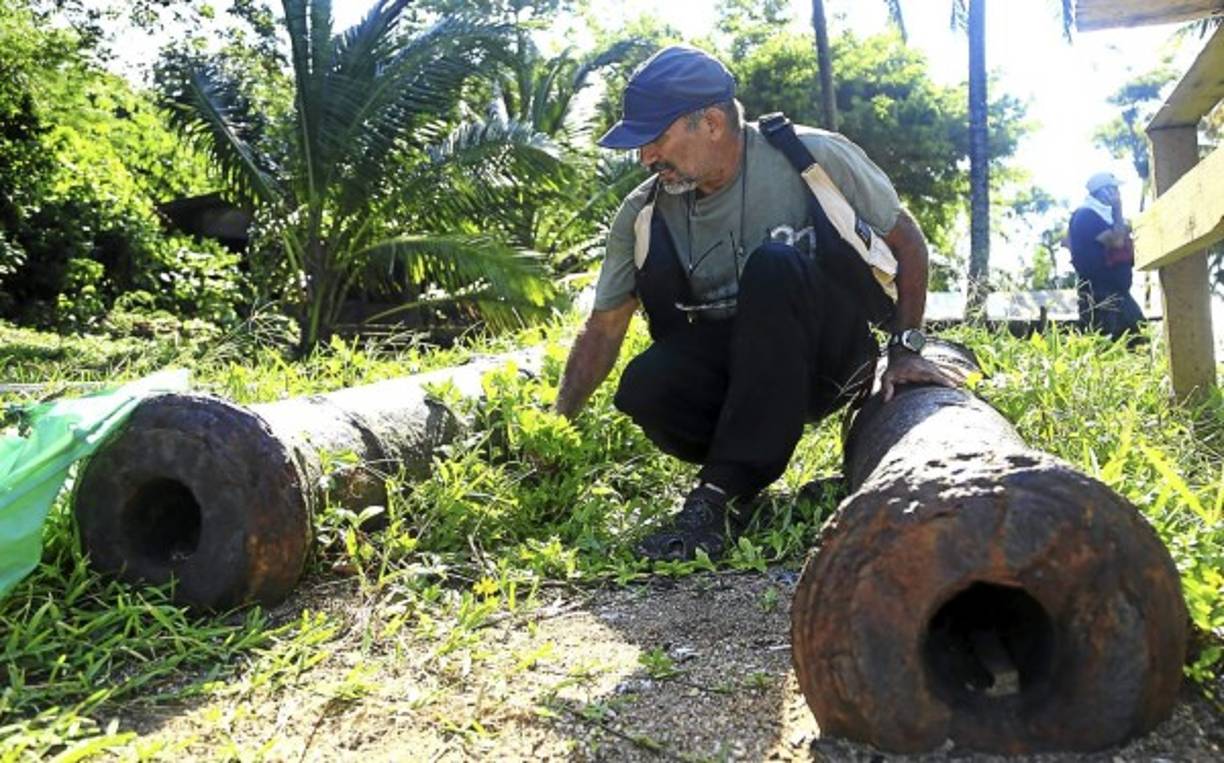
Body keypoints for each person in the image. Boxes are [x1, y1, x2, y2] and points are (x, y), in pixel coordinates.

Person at [553, 45, 953, 561]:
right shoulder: (643, 213)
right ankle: (743, 467)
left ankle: (719, 493)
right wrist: (556, 428)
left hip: (829, 360)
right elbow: (604, 328)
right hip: (739, 378)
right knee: (644, 387)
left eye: (655, 139)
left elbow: (908, 242)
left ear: (712, 123)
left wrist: (906, 348)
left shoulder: (813, 156)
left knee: (774, 266)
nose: (645, 158)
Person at [1068, 171, 1144, 341]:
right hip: (1099, 294)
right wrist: (1118, 209)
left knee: (1138, 339)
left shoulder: (1103, 217)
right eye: (1114, 189)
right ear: (1103, 191)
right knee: (1112, 342)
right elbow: (1117, 241)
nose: (1118, 194)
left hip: (1117, 293)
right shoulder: (1086, 215)